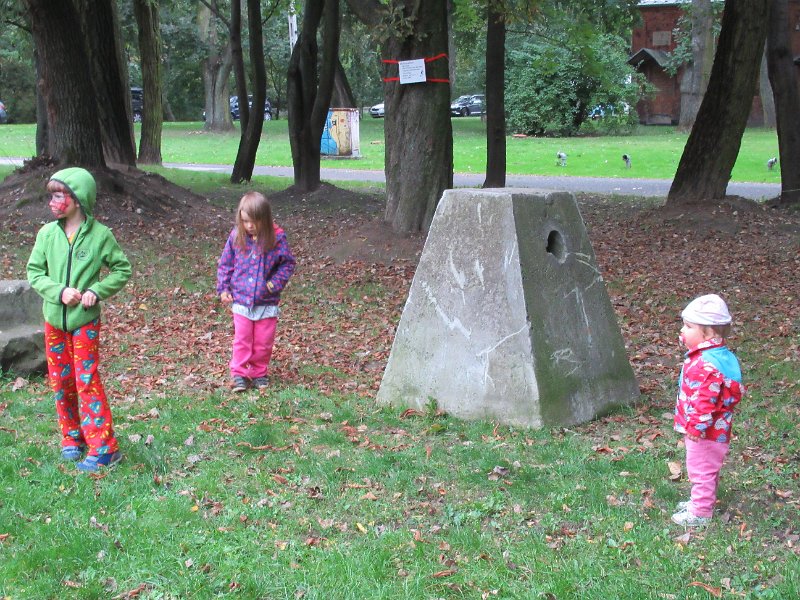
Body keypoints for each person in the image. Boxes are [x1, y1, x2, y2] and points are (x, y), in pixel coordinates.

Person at [26, 167, 132, 472]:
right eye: (51, 196)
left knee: (86, 379)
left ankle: (105, 448)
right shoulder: (47, 234)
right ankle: (72, 436)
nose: (53, 202)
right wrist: (58, 292)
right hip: (54, 322)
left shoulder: (100, 236)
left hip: (84, 322)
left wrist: (96, 291)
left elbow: (122, 270)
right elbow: (35, 272)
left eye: (59, 196)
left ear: (78, 198)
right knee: (61, 381)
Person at [672, 294, 744, 527]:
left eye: (688, 326)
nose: (682, 331)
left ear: (709, 333)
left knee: (701, 469)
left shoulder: (706, 364)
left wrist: (695, 427)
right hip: (713, 430)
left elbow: (705, 400)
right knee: (706, 467)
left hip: (705, 431)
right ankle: (700, 501)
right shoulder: (717, 356)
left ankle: (701, 512)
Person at [216, 192, 296, 392]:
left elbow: (287, 264)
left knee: (263, 342)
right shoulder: (237, 237)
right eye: (245, 221)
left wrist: (273, 284)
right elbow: (226, 264)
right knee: (242, 339)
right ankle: (239, 374)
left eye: (254, 221)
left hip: (266, 302)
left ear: (265, 219)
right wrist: (224, 288)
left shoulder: (276, 238)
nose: (250, 226)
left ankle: (259, 372)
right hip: (241, 299)